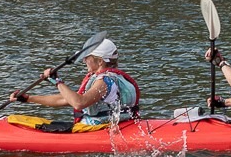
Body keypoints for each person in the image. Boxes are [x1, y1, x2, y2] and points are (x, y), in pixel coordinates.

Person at [7, 38, 142, 128]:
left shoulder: (104, 81)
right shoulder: (113, 77)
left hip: (96, 129)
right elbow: (66, 99)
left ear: (100, 61)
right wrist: (29, 98)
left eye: (87, 57)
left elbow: (79, 103)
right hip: (117, 124)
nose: (84, 61)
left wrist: (57, 81)